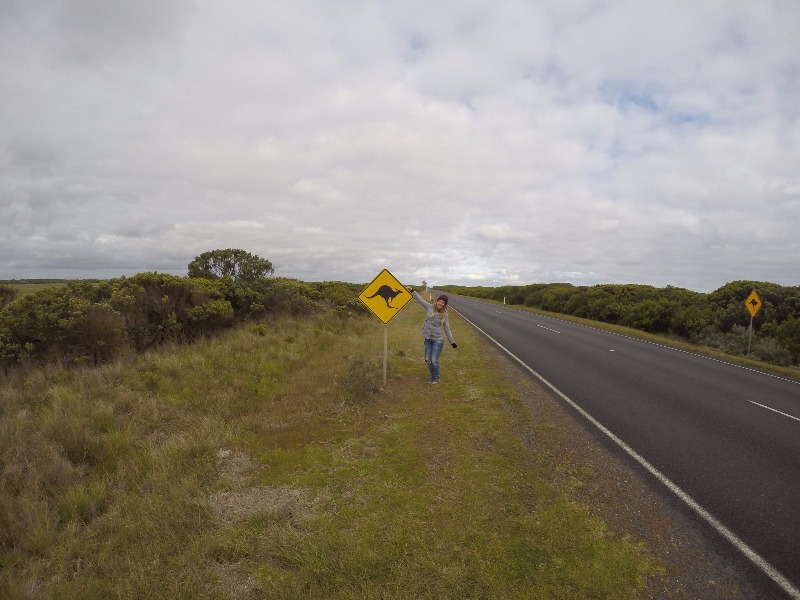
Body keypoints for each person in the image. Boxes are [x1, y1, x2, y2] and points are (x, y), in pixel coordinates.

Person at [405, 286, 457, 384]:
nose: (440, 303)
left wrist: (452, 342)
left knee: (434, 360)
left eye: (443, 302)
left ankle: (435, 378)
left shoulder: (445, 315)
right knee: (427, 360)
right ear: (437, 301)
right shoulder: (429, 307)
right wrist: (412, 290)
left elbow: (447, 328)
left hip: (438, 340)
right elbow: (419, 299)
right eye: (439, 301)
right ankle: (433, 375)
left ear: (445, 305)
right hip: (428, 339)